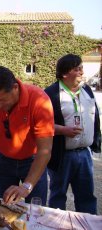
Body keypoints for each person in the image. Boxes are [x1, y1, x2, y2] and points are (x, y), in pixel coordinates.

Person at [0, 66, 54, 205]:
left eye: (3, 100)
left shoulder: (39, 100)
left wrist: (27, 186)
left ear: (15, 87)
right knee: (3, 207)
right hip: (4, 159)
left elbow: (45, 150)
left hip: (33, 160)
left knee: (35, 208)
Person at [45, 54, 101, 214]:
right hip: (62, 155)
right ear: (64, 74)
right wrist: (63, 130)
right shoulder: (51, 93)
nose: (82, 72)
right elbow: (40, 125)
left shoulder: (87, 90)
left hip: (84, 154)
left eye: (81, 68)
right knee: (57, 196)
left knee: (87, 197)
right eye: (77, 69)